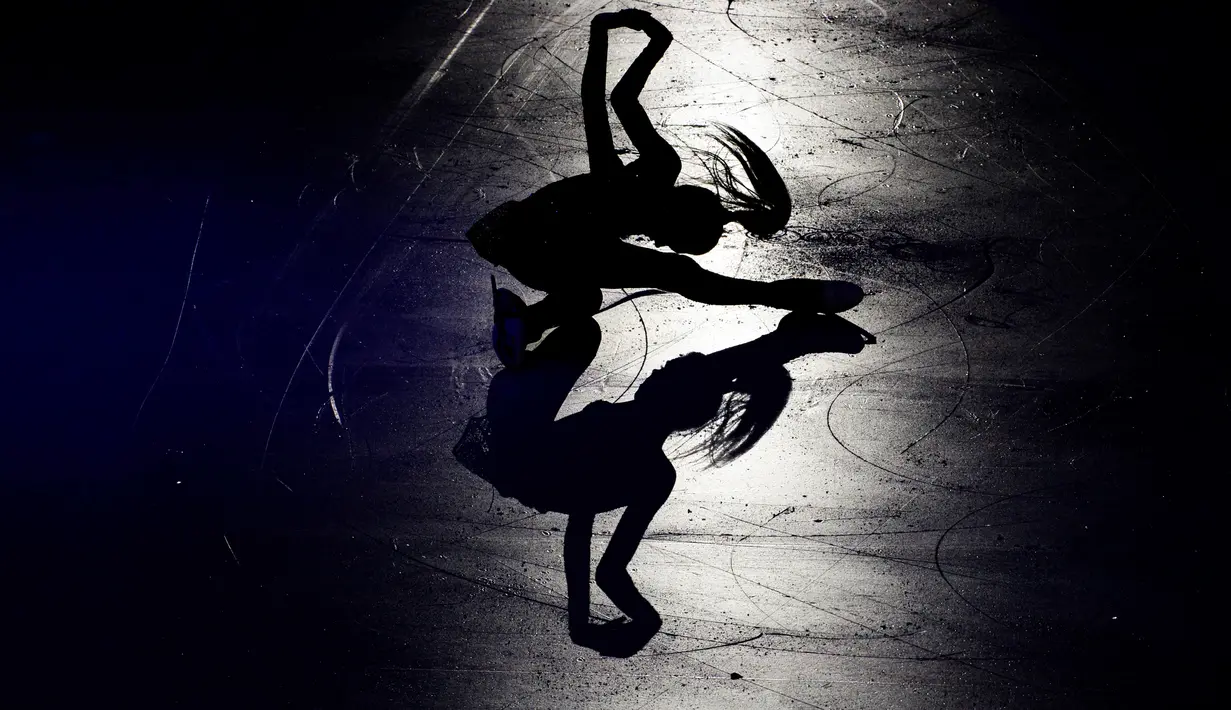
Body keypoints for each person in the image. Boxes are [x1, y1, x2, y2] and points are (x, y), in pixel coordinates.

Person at [453, 312, 875, 656]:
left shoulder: (624, 433)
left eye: (663, 371)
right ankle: (788, 344)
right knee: (703, 371)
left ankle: (788, 344)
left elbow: (591, 540)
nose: (652, 369)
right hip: (531, 466)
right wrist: (598, 623)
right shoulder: (654, 470)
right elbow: (599, 554)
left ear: (670, 397)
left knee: (584, 328)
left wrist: (629, 621)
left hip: (517, 445)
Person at [467, 9, 865, 367]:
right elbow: (595, 101)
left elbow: (622, 99)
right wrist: (599, 31)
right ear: (672, 216)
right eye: (670, 239)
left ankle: (526, 322)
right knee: (667, 274)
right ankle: (525, 321)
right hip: (525, 237)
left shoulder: (661, 167)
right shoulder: (617, 190)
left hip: (531, 236)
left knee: (588, 298)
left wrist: (655, 41)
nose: (658, 242)